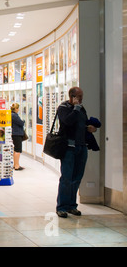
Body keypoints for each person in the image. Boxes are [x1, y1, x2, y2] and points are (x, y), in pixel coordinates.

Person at [55, 87, 98, 218]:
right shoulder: (63, 108)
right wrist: (76, 108)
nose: (81, 98)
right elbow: (67, 122)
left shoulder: (81, 109)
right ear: (72, 96)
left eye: (82, 96)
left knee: (77, 178)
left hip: (81, 147)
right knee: (67, 178)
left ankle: (72, 206)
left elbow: (81, 124)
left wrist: (89, 128)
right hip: (68, 148)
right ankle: (61, 207)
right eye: (79, 96)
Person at [11, 103, 25, 170]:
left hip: (15, 134)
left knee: (16, 149)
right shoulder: (14, 115)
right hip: (17, 134)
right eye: (18, 108)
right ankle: (17, 165)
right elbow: (21, 123)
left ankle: (15, 164)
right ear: (16, 108)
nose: (18, 109)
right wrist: (23, 121)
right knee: (18, 150)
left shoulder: (12, 114)